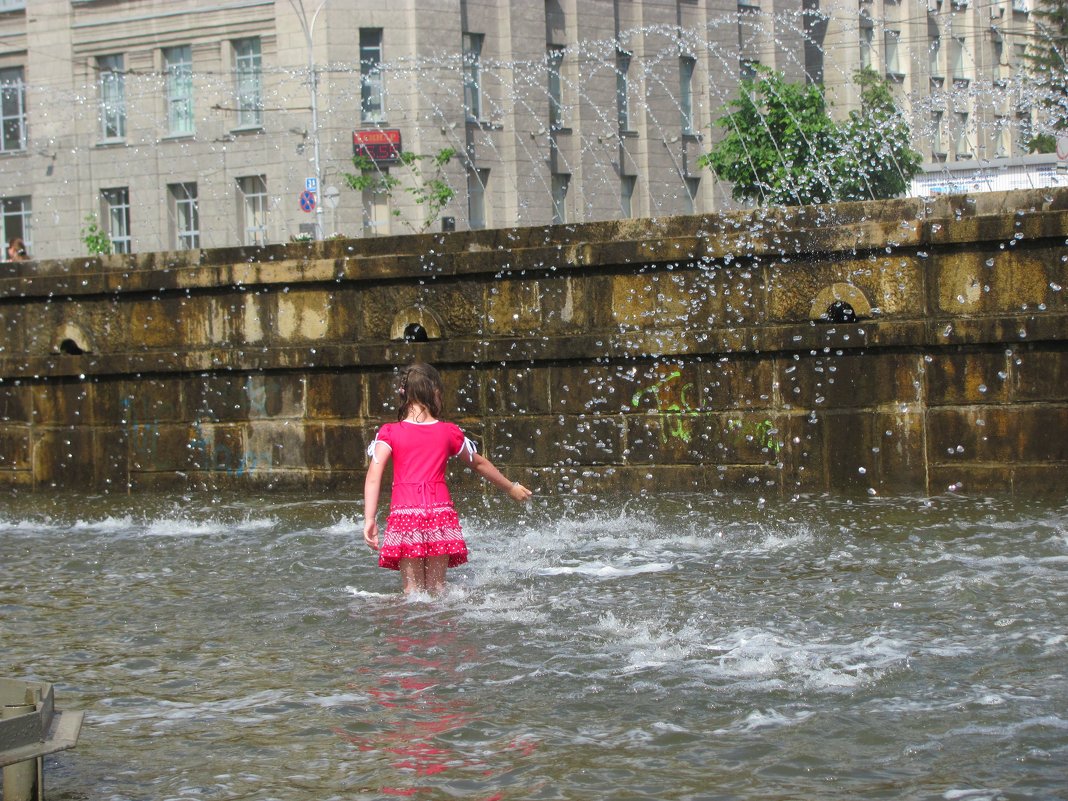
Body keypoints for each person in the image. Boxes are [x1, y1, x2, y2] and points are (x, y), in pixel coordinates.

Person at [363, 362, 532, 595]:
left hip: (405, 515)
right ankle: (441, 630)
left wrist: (370, 518)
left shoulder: (390, 432)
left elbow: (374, 475)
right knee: (437, 588)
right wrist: (510, 487)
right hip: (439, 515)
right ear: (435, 393)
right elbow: (479, 463)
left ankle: (410, 630)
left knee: (412, 591)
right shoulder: (448, 431)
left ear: (404, 395)